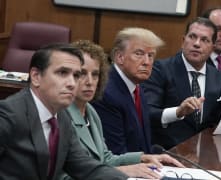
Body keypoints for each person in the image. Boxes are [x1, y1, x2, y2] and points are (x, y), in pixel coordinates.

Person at [0, 43, 128, 179]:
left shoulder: (62, 118)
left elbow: (86, 167)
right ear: (36, 76)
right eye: (62, 73)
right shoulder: (8, 115)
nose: (72, 83)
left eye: (76, 75)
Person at [61, 40, 184, 179]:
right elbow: (61, 176)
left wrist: (143, 158)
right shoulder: (60, 116)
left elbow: (106, 159)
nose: (90, 82)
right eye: (82, 74)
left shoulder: (90, 111)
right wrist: (122, 171)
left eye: (95, 74)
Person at [142, 17, 221, 150]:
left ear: (212, 47)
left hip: (205, 154)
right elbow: (148, 113)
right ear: (183, 41)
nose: (196, 44)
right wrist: (178, 112)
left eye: (204, 40)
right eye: (192, 37)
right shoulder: (160, 69)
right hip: (166, 152)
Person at [92, 27, 165, 154]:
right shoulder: (107, 93)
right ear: (119, 57)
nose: (147, 62)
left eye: (151, 55)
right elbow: (116, 152)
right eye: (139, 54)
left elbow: (141, 143)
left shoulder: (136, 86)